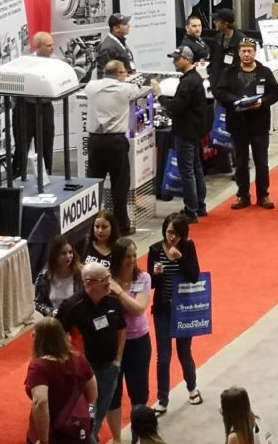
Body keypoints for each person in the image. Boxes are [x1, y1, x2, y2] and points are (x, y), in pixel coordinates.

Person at [56, 262, 125, 444]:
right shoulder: (72, 306)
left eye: (109, 278)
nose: (109, 283)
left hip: (110, 368)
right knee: (87, 414)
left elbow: (121, 329)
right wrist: (72, 362)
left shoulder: (114, 301)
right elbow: (58, 335)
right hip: (85, 373)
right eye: (104, 280)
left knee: (100, 413)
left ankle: (92, 436)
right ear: (89, 283)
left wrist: (118, 359)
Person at [85, 60, 153, 235]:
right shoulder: (126, 89)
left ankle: (91, 224)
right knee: (120, 185)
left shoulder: (92, 86)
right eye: (124, 72)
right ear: (119, 74)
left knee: (94, 184)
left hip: (95, 141)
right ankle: (122, 224)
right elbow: (137, 90)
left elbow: (88, 87)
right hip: (115, 141)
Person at [214, 38, 278, 208]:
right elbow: (220, 92)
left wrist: (262, 102)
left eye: (249, 51)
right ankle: (243, 195)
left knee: (261, 162)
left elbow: (275, 93)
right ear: (239, 53)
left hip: (259, 125)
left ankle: (263, 195)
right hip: (238, 125)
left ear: (255, 52)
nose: (246, 54)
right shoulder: (229, 72)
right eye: (243, 51)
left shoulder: (264, 72)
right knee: (241, 162)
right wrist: (236, 100)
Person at [147, 214, 201, 414]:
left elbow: (195, 276)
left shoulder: (188, 247)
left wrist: (180, 259)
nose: (172, 238)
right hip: (162, 309)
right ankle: (163, 399)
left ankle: (192, 388)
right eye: (169, 232)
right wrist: (155, 274)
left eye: (176, 234)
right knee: (163, 356)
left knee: (184, 352)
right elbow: (150, 284)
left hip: (183, 308)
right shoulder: (154, 250)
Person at [25, 317, 97, 444]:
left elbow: (40, 402)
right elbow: (93, 394)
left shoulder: (39, 367)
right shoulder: (79, 358)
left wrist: (43, 440)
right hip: (77, 428)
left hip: (54, 433)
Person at [107, 239, 152, 439]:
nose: (132, 260)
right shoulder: (107, 279)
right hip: (113, 343)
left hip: (139, 342)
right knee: (113, 393)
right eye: (127, 256)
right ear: (118, 258)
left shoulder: (143, 278)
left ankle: (139, 436)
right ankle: (117, 438)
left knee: (139, 392)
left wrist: (118, 291)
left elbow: (138, 308)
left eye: (134, 255)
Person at [159, 46, 209, 221]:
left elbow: (175, 107)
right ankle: (200, 206)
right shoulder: (194, 78)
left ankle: (191, 210)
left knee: (187, 171)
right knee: (196, 169)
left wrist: (160, 97)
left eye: (177, 58)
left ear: (187, 59)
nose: (174, 61)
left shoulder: (187, 83)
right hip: (194, 131)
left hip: (186, 132)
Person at [13, 31, 57, 180]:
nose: (52, 48)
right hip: (25, 109)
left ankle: (47, 177)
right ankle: (18, 178)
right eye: (49, 45)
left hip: (45, 108)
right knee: (22, 146)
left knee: (46, 145)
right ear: (38, 47)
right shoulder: (26, 63)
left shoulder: (55, 62)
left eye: (53, 44)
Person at [35, 234, 84, 317]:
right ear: (55, 255)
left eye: (70, 252)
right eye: (63, 253)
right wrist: (53, 313)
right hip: (54, 320)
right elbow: (38, 304)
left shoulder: (80, 273)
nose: (68, 257)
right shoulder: (44, 277)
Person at [208, 9, 246, 80]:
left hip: (233, 83)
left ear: (225, 24)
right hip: (217, 82)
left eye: (217, 20)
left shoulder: (241, 40)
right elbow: (213, 59)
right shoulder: (218, 38)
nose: (214, 22)